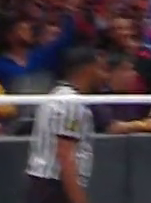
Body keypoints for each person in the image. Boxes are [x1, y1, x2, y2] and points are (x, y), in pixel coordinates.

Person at [26, 48, 105, 203]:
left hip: (45, 184)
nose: (105, 76)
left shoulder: (57, 95)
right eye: (101, 69)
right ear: (88, 70)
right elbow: (65, 155)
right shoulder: (71, 103)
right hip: (54, 187)